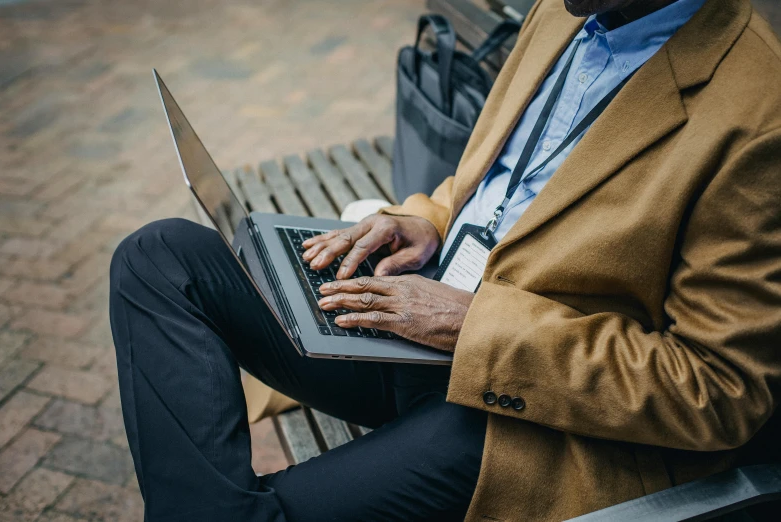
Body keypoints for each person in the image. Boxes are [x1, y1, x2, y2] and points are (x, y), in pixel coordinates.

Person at [109, 0, 781, 520]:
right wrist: (421, 220)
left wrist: (474, 327)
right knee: (160, 257)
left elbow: (717, 390)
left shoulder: (757, 113)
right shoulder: (565, 13)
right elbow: (498, 184)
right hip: (417, 322)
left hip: (531, 411)